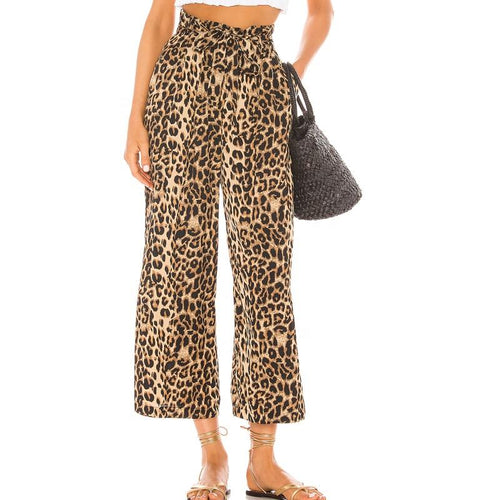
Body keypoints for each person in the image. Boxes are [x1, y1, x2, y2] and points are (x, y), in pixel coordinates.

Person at [124, 1, 333, 498]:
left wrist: (295, 71)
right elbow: (159, 18)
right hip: (184, 76)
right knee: (179, 263)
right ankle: (211, 453)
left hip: (261, 80)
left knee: (266, 273)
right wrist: (135, 116)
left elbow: (321, 11)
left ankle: (263, 460)